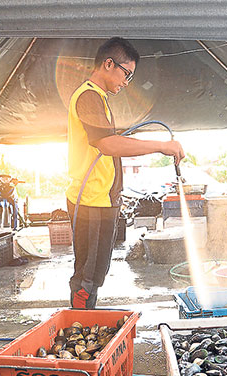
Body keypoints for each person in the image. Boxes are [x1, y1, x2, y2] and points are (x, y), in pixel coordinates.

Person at [65, 37, 185, 309]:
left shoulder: (99, 98)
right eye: (126, 74)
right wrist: (160, 146)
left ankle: (85, 321)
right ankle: (79, 326)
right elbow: (107, 145)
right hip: (92, 199)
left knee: (95, 272)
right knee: (88, 276)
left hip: (101, 199)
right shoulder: (89, 96)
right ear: (108, 63)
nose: (126, 82)